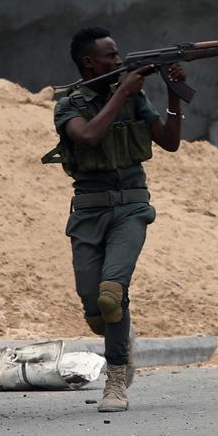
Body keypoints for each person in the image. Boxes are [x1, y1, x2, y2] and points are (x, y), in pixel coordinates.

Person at [45, 26, 185, 413]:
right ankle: (120, 333)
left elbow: (170, 141)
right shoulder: (68, 103)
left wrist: (174, 92)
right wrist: (122, 91)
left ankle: (116, 380)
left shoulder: (134, 98)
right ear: (89, 62)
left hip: (131, 207)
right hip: (88, 209)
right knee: (96, 311)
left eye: (118, 54)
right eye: (110, 56)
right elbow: (88, 136)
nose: (118, 61)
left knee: (111, 295)